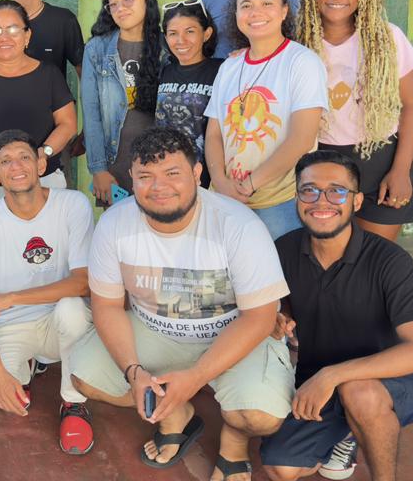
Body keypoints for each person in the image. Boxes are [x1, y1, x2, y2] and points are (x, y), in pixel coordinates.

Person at [70, 127, 293, 479]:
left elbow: (260, 318)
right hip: (155, 331)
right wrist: (134, 372)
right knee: (84, 377)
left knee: (259, 417)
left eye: (172, 173)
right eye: (145, 176)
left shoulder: (238, 226)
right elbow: (108, 306)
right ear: (131, 177)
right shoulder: (114, 224)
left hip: (231, 334)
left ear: (196, 173)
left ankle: (233, 441)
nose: (159, 187)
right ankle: (176, 413)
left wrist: (197, 375)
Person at [261, 150, 413, 481]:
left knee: (359, 394)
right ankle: (345, 432)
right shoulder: (284, 250)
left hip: (392, 379)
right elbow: (282, 301)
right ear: (297, 197)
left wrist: (332, 376)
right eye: (309, 190)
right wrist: (279, 315)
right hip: (319, 378)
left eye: (337, 191)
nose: (321, 201)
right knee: (281, 466)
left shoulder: (390, 260)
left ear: (356, 202)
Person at [0, 130, 95, 455]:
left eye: (24, 157)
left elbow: (83, 283)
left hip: (62, 323)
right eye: (5, 161)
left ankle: (73, 404)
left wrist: (12, 297)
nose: (16, 166)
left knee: (71, 308)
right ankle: (26, 367)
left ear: (41, 163)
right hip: (12, 326)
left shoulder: (72, 205)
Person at [295, 0, 413, 241]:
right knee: (328, 256)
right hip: (321, 159)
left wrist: (401, 170)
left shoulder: (388, 38)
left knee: (375, 258)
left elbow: (412, 108)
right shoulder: (298, 43)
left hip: (380, 159)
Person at [204, 0, 328, 239]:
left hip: (279, 204)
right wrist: (223, 184)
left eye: (267, 3)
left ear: (284, 11)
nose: (255, 12)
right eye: (246, 5)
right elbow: (214, 134)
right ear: (236, 14)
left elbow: (302, 139)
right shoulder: (229, 67)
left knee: (279, 277)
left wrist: (250, 184)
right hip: (226, 201)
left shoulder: (302, 62)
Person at [0, 0, 77, 215]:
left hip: (43, 179)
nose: (4, 37)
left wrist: (42, 154)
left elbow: (68, 124)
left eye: (13, 29)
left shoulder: (49, 74)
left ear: (27, 36)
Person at [81, 0, 164, 203]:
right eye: (113, 4)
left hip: (160, 162)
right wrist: (98, 169)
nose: (120, 8)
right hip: (114, 163)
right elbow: (91, 113)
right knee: (118, 234)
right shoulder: (97, 49)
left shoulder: (167, 46)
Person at [155, 0, 224, 186]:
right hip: (165, 174)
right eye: (173, 33)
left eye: (190, 31)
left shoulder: (223, 70)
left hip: (207, 179)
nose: (181, 40)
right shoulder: (163, 71)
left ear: (207, 33)